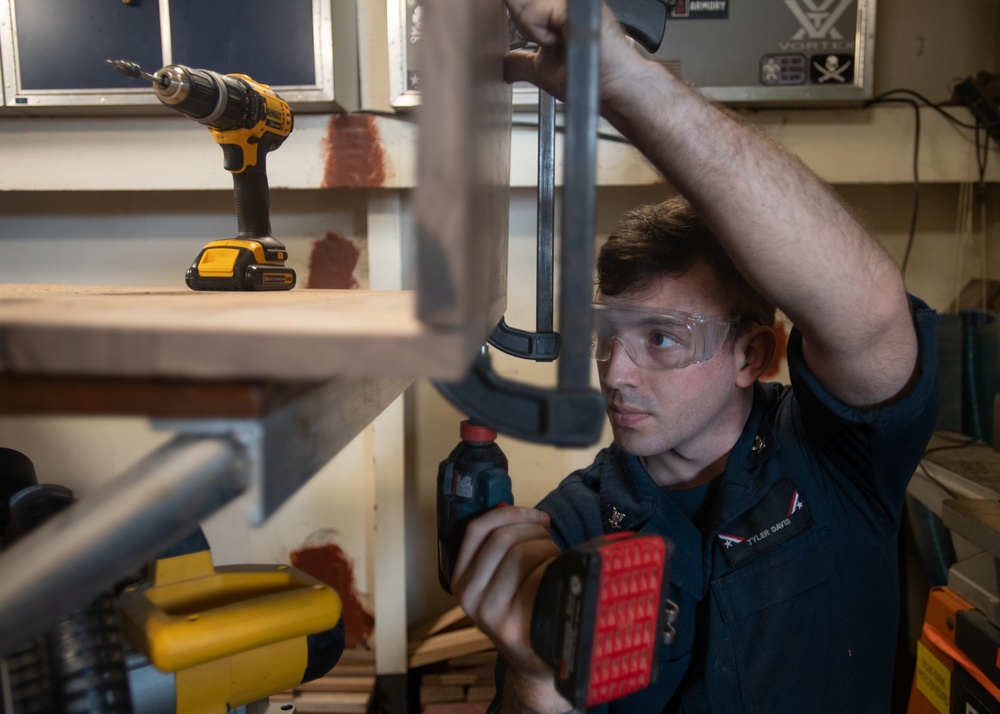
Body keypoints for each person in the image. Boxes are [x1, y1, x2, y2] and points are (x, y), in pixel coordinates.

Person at [449, 0, 941, 712]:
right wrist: (532, 675)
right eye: (607, 334)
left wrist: (627, 84)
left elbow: (867, 318)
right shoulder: (578, 523)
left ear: (753, 354)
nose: (616, 372)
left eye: (663, 338)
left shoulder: (836, 461)